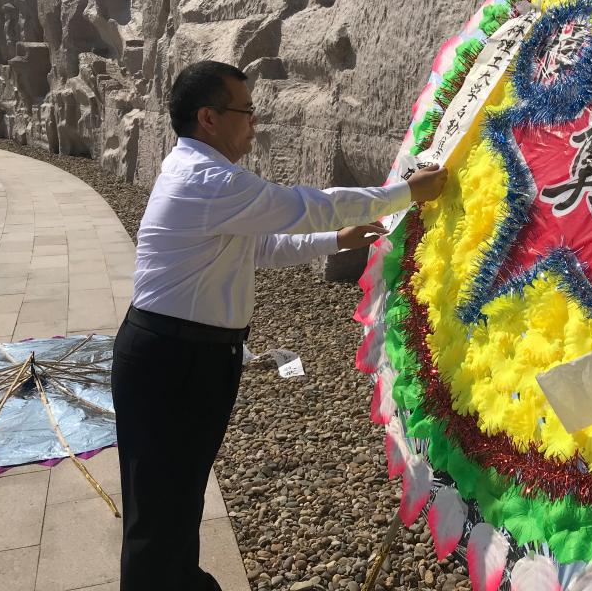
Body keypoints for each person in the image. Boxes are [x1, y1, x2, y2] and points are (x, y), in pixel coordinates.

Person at [111, 60, 447, 590]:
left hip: (190, 356)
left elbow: (259, 247)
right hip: (172, 360)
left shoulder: (205, 175)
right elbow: (305, 206)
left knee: (177, 496)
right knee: (159, 510)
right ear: (208, 118)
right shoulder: (208, 179)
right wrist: (405, 192)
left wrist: (336, 241)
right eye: (246, 111)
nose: (255, 123)